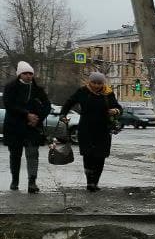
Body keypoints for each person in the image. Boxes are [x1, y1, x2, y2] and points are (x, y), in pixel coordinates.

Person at [61, 72, 121, 192]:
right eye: (94, 83)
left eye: (99, 83)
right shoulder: (82, 91)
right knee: (88, 156)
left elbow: (119, 108)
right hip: (86, 129)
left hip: (103, 129)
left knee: (100, 157)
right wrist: (63, 114)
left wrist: (115, 111)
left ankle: (95, 182)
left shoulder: (108, 93)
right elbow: (69, 102)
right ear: (90, 82)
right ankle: (90, 182)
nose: (97, 85)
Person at [3, 60, 51, 193]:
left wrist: (38, 118)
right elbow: (9, 105)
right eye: (26, 73)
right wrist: (26, 115)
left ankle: (32, 182)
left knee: (32, 154)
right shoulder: (10, 88)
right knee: (15, 155)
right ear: (19, 74)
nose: (29, 76)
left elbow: (47, 105)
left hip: (32, 128)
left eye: (31, 73)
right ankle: (15, 180)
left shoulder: (38, 89)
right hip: (14, 127)